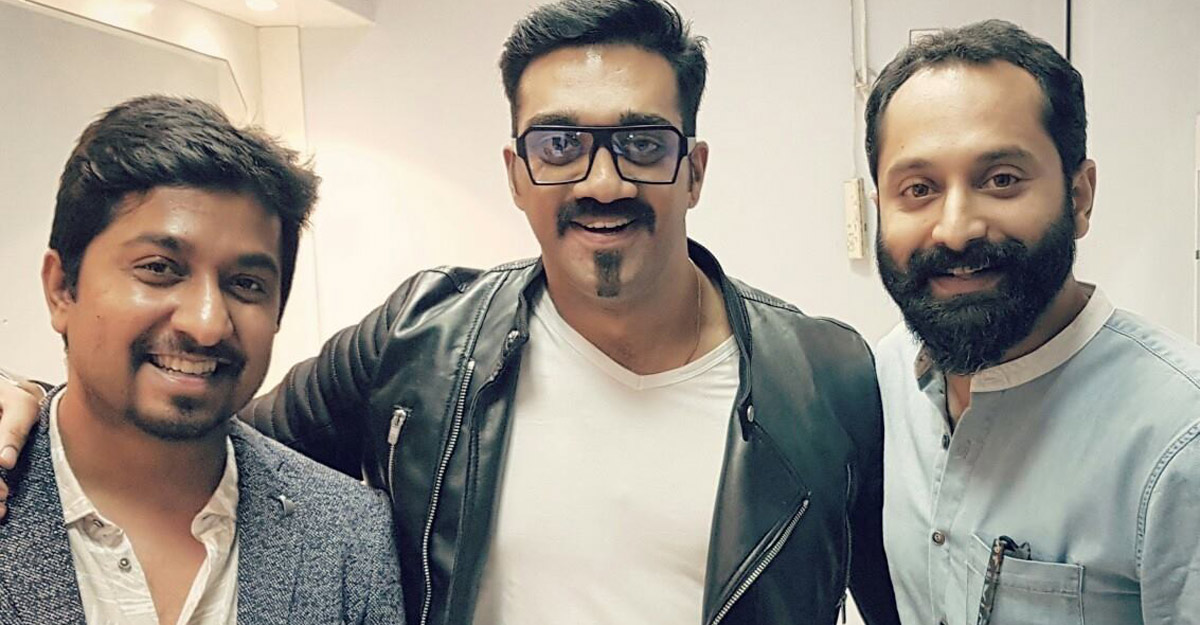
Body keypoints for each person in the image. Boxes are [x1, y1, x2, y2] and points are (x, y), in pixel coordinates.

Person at [0, 2, 901, 623]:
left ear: (693, 169)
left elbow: (901, 586)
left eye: (641, 142)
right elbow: (204, 420)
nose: (602, 180)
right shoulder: (422, 338)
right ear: (515, 173)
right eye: (559, 143)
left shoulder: (825, 377)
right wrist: (31, 402)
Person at [0, 95, 402, 624]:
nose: (208, 323)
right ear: (60, 289)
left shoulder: (351, 538)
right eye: (159, 268)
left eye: (246, 284)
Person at [867, 20, 1200, 625]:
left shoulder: (1181, 439)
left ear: (1080, 196)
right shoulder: (881, 377)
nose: (956, 229)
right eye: (918, 188)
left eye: (1002, 180)